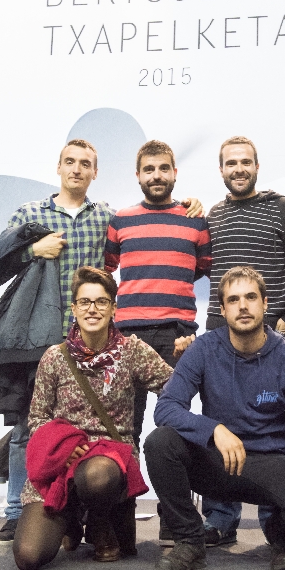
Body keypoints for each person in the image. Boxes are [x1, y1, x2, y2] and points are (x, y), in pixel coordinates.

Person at [0, 139, 200, 546]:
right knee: (28, 425)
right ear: (59, 167)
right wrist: (32, 249)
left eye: (85, 164)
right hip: (39, 336)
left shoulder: (107, 217)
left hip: (91, 336)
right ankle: (16, 513)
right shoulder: (30, 214)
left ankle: (86, 513)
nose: (77, 169)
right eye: (70, 162)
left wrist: (189, 205)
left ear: (95, 172)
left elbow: (124, 253)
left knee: (100, 428)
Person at [143, 266, 285, 570]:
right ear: (222, 309)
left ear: (265, 304)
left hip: (271, 463)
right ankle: (189, 541)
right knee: (160, 442)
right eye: (233, 299)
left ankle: (280, 534)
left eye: (250, 297)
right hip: (218, 462)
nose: (243, 306)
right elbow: (166, 408)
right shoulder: (204, 349)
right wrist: (214, 429)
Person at [13, 266, 176, 570]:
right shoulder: (54, 357)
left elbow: (174, 387)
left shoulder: (132, 351)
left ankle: (99, 520)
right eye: (85, 302)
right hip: (62, 461)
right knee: (28, 556)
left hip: (109, 463)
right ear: (74, 308)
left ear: (113, 308)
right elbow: (37, 418)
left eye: (101, 301)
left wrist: (188, 357)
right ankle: (72, 517)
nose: (93, 309)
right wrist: (62, 446)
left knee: (97, 476)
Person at [202, 135, 285, 546]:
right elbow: (210, 275)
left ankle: (274, 519)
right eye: (231, 163)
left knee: (270, 423)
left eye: (245, 162)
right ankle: (219, 518)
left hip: (272, 335)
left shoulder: (281, 209)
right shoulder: (214, 215)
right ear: (221, 170)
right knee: (218, 423)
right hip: (221, 336)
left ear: (257, 167)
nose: (238, 169)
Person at [105, 139, 211, 450]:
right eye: (149, 169)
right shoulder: (120, 220)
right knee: (124, 428)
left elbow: (202, 266)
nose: (156, 175)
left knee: (174, 426)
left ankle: (175, 487)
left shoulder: (195, 220)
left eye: (164, 168)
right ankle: (124, 485)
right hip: (127, 336)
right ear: (138, 175)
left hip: (177, 335)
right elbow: (107, 268)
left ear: (175, 173)